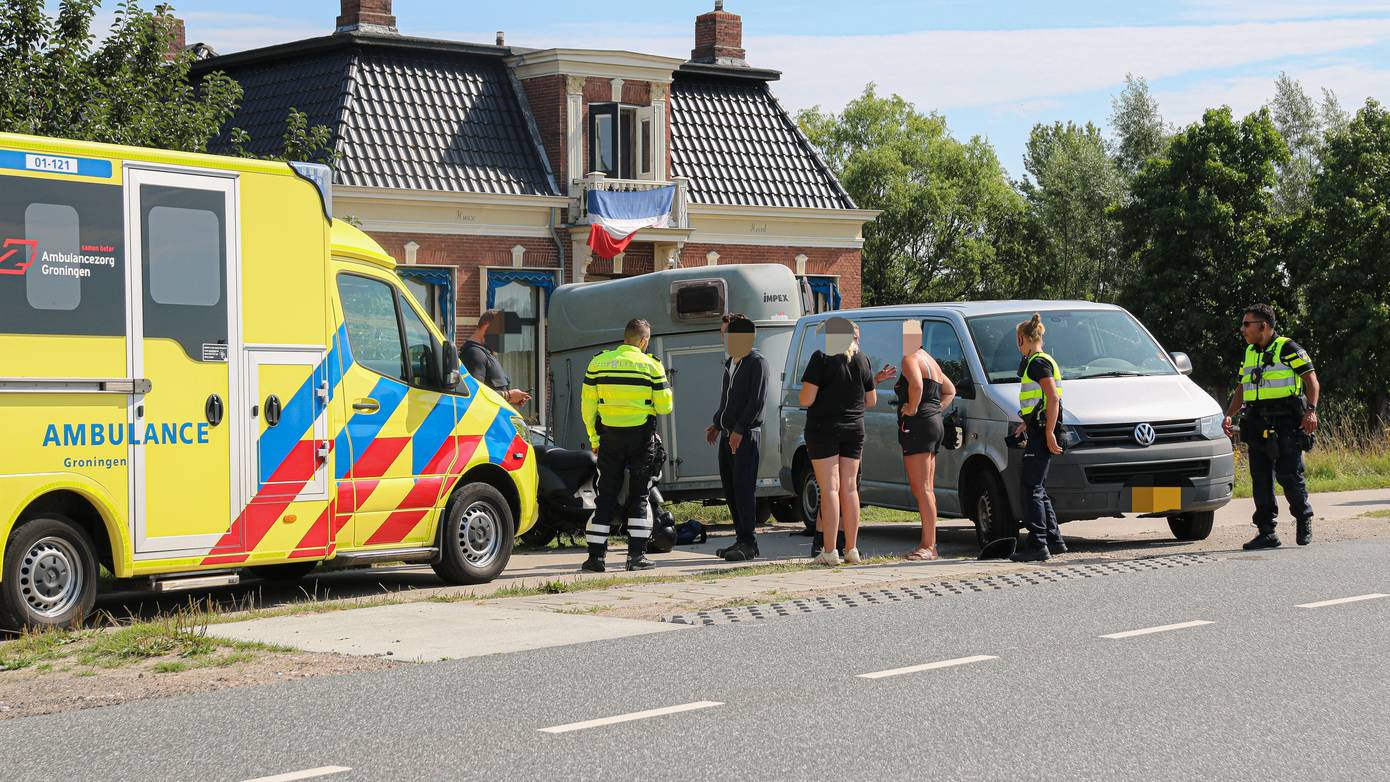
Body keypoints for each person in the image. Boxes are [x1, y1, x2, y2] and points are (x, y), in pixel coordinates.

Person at [1221, 303, 1320, 549]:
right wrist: (1229, 415)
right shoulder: (1250, 352)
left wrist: (1311, 412)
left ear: (1263, 326)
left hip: (1285, 420)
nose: (1242, 329)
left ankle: (1303, 517)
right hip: (1256, 421)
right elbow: (1242, 388)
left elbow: (1312, 381)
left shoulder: (1288, 348)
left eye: (1247, 324)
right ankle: (1267, 532)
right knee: (1261, 478)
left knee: (1289, 474)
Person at [580, 318, 674, 572]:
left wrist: (594, 439)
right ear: (644, 340)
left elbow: (587, 407)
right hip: (641, 440)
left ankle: (595, 558)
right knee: (639, 496)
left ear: (625, 337)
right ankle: (636, 557)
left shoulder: (598, 362)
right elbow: (666, 406)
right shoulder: (652, 366)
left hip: (609, 438)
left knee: (606, 496)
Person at [799, 317, 895, 565]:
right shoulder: (862, 359)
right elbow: (871, 401)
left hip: (823, 429)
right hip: (854, 429)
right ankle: (851, 548)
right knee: (849, 488)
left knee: (830, 489)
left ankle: (829, 551)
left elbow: (806, 399)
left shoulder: (820, 358)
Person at [706, 314, 769, 562]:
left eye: (727, 332)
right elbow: (728, 400)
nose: (724, 337)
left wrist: (740, 430)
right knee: (731, 489)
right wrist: (716, 424)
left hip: (745, 436)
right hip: (727, 434)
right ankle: (741, 537)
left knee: (743, 488)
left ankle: (749, 542)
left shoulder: (757, 362)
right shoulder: (731, 362)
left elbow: (756, 401)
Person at [895, 320, 956, 561]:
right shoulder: (931, 361)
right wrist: (936, 409)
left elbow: (917, 385)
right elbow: (950, 390)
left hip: (918, 426)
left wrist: (911, 407)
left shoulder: (910, 359)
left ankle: (928, 546)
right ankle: (929, 544)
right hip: (933, 424)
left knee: (922, 489)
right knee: (927, 488)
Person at [1010, 313, 1066, 563]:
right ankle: (1054, 541)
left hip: (1043, 432)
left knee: (1031, 487)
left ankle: (1038, 545)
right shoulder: (1044, 359)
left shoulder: (1036, 363)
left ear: (1022, 338)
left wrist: (1049, 432)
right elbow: (1042, 400)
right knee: (1038, 487)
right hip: (1038, 427)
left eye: (1017, 340)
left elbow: (1053, 398)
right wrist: (1026, 422)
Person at [460, 309, 531, 408]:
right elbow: (475, 395)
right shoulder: (474, 354)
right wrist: (509, 395)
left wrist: (512, 397)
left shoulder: (484, 353)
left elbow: (490, 391)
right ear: (487, 327)